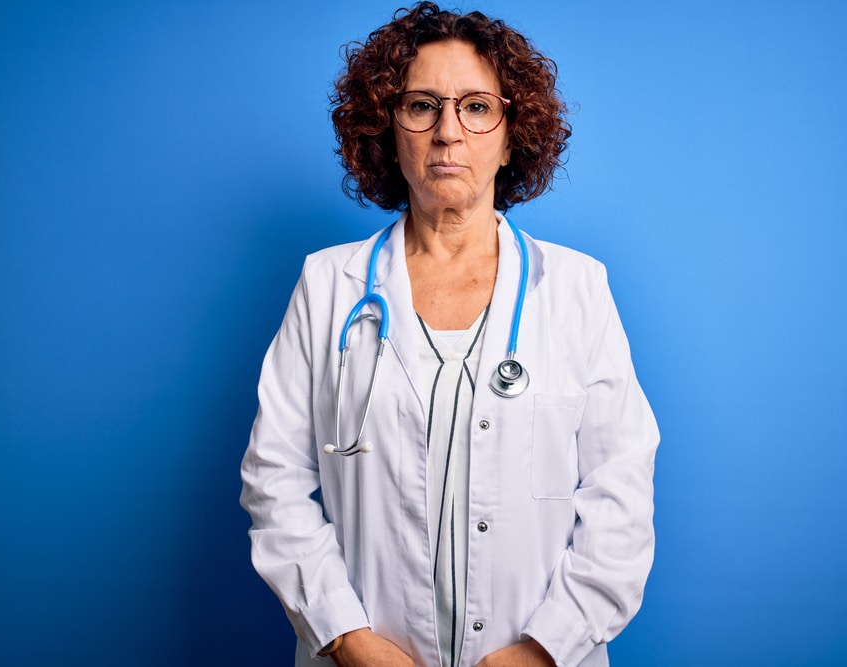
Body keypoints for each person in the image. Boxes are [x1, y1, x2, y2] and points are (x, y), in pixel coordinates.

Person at [239, 3, 659, 666]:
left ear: (513, 131)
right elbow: (274, 477)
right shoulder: (328, 286)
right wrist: (347, 638)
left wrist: (544, 650)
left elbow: (621, 494)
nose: (448, 132)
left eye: (476, 107)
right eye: (421, 105)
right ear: (386, 128)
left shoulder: (578, 289)